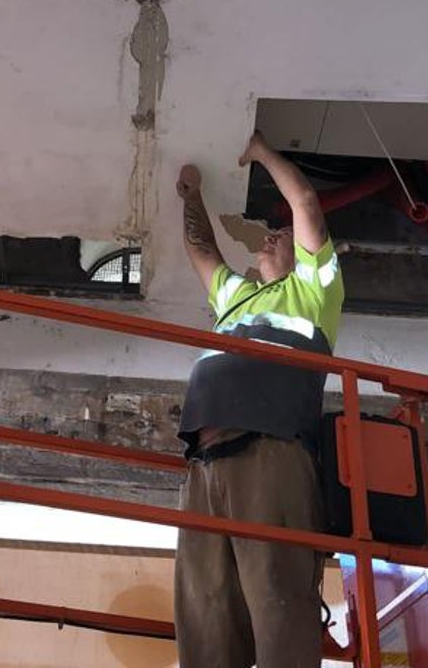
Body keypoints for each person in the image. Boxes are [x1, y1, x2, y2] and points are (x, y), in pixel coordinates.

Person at [173, 130, 345, 668]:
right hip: (203, 460)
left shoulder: (316, 290)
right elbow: (201, 249)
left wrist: (261, 151)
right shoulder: (237, 298)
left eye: (281, 234)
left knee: (277, 595)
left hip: (271, 448)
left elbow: (306, 204)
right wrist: (190, 195)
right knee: (204, 603)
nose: (272, 236)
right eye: (270, 233)